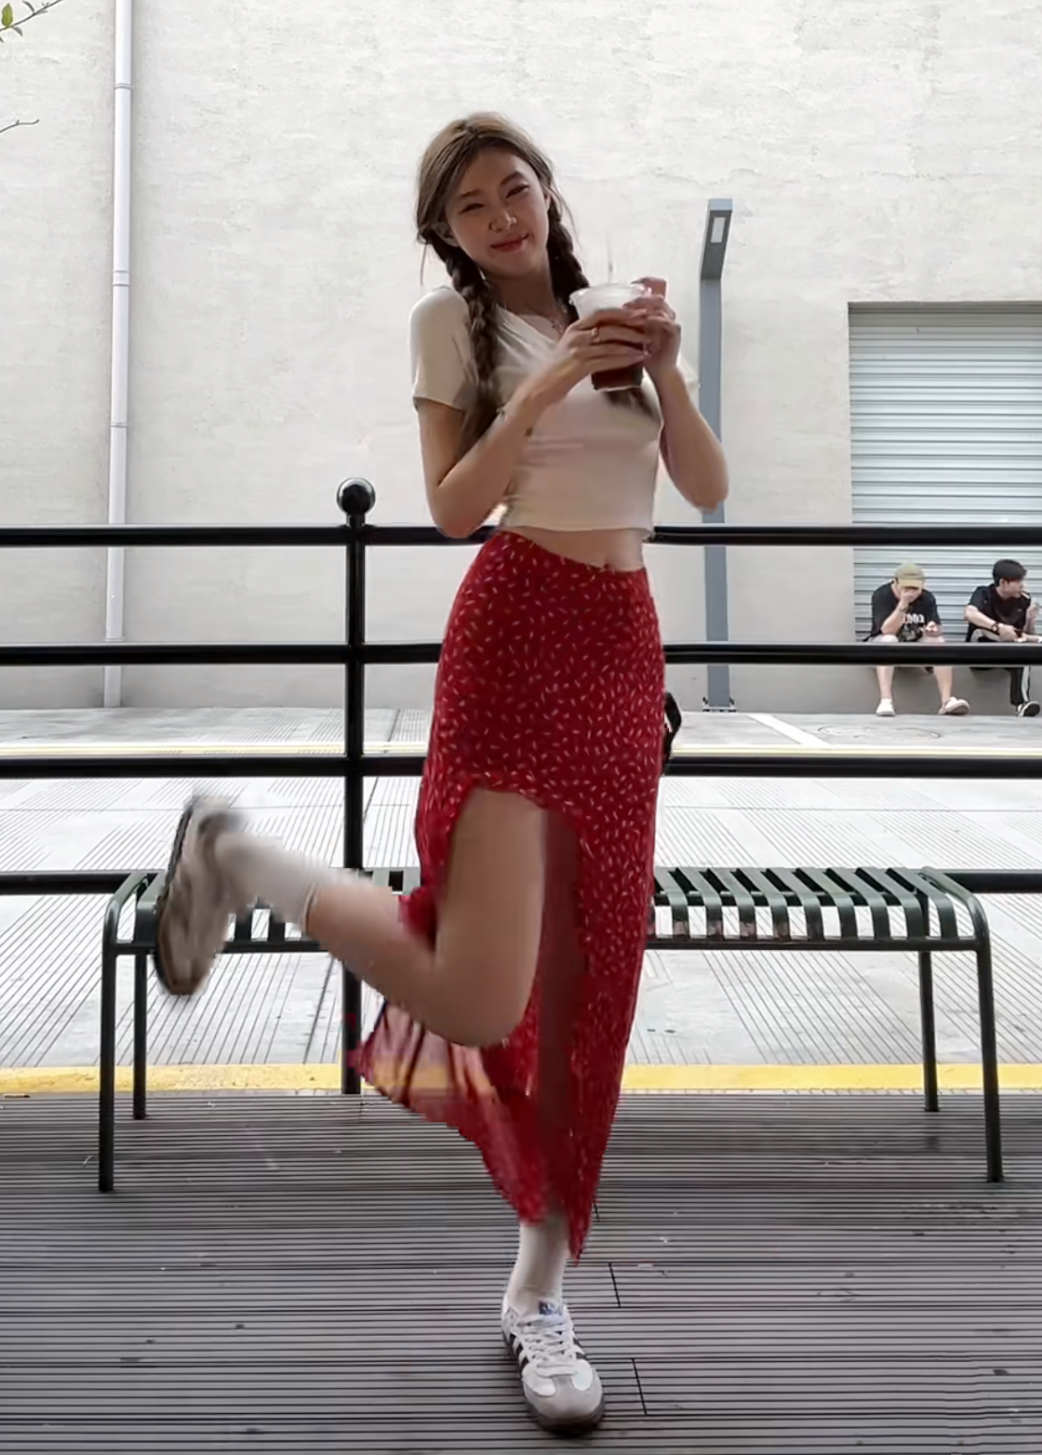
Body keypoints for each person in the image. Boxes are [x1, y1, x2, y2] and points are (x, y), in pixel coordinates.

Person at [151, 113, 728, 1437]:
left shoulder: (616, 315)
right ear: (446, 233)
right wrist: (543, 382)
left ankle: (540, 1296)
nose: (504, 214)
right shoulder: (449, 329)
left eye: (517, 188)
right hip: (518, 632)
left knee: (591, 985)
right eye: (473, 205)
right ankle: (241, 854)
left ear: (547, 194)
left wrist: (665, 370)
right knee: (479, 989)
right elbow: (456, 506)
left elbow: (704, 485)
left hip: (621, 648)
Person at [868, 564, 969, 718]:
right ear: (895, 582)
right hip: (883, 644)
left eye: (915, 588)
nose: (911, 592)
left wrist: (933, 629)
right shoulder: (882, 595)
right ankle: (886, 700)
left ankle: (946, 701)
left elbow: (938, 627)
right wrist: (902, 605)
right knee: (889, 640)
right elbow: (887, 630)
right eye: (906, 588)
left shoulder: (927, 598)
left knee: (938, 642)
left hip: (914, 644)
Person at [965, 560, 1041, 717]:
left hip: (1007, 652)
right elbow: (969, 614)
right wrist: (998, 628)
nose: (1023, 586)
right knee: (980, 631)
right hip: (979, 654)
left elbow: (1022, 634)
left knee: (1024, 652)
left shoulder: (1023, 600)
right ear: (1003, 582)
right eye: (1018, 582)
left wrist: (1030, 619)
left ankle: (1021, 704)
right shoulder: (984, 593)